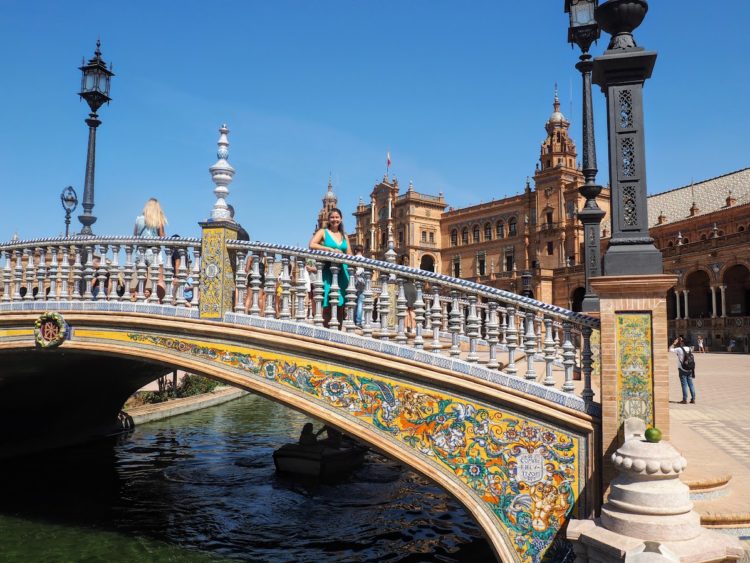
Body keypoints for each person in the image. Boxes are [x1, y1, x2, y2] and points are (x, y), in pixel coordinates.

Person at [308, 208, 350, 328]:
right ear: (328, 219)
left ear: (341, 219)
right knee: (327, 303)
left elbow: (349, 254)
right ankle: (327, 333)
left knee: (340, 305)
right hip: (328, 272)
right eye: (332, 217)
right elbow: (312, 244)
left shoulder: (344, 236)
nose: (334, 220)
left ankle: (338, 335)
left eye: (337, 217)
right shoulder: (323, 232)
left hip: (342, 272)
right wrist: (330, 250)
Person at [134, 198, 168, 300]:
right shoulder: (157, 220)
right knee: (159, 279)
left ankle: (140, 299)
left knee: (141, 278)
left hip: (141, 251)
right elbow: (162, 237)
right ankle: (158, 301)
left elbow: (135, 236)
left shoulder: (138, 219)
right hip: (154, 251)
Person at [670, 335, 696, 404]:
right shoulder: (690, 349)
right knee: (691, 384)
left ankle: (685, 399)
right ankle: (693, 399)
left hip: (682, 369)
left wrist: (674, 343)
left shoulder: (679, 349)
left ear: (683, 343)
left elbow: (670, 349)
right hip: (690, 368)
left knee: (684, 385)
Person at [399, 255, 417, 333]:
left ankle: (405, 328)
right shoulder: (411, 269)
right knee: (412, 310)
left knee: (405, 310)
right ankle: (413, 329)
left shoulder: (401, 269)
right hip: (413, 289)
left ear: (402, 261)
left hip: (405, 288)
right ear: (408, 260)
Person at [352, 245, 366, 327]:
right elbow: (361, 270)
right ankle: (358, 321)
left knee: (354, 301)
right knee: (360, 302)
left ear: (355, 251)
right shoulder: (364, 259)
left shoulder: (353, 258)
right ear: (363, 251)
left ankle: (354, 319)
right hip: (361, 282)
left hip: (353, 281)